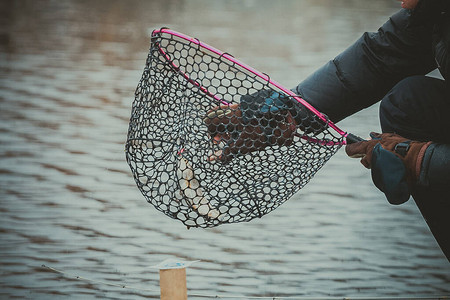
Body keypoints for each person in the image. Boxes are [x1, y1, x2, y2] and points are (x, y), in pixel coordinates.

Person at [204, 0, 450, 261]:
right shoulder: (435, 10)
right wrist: (291, 111)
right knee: (407, 103)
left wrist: (420, 158)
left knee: (407, 106)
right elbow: (381, 56)